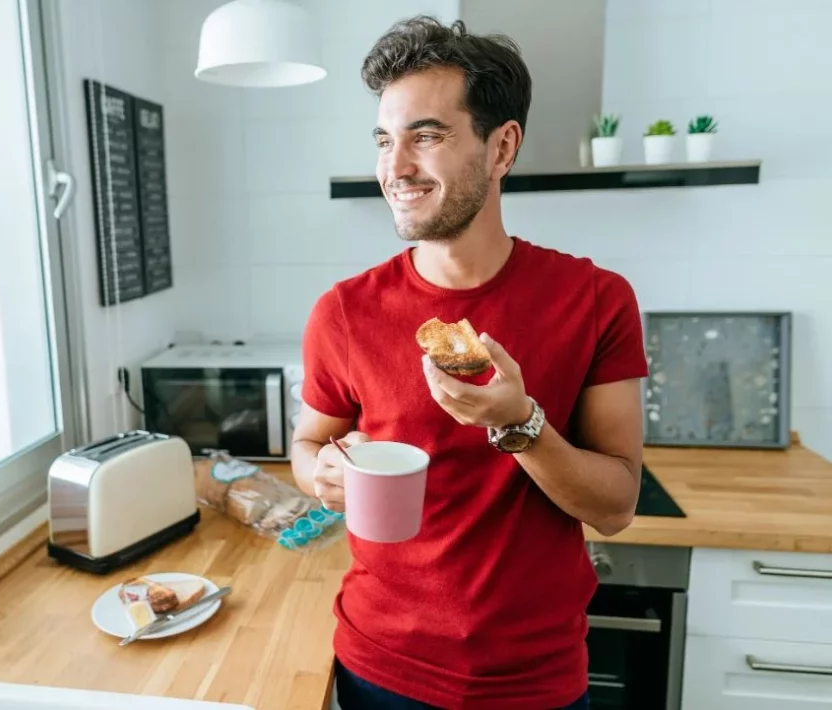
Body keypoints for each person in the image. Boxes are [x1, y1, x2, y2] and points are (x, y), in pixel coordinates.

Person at [290, 15, 649, 710]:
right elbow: (307, 447)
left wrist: (520, 424)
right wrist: (322, 473)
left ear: (501, 147)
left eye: (426, 136)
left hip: (534, 681)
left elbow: (617, 508)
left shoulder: (597, 300)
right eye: (384, 140)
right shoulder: (343, 312)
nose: (395, 167)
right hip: (381, 670)